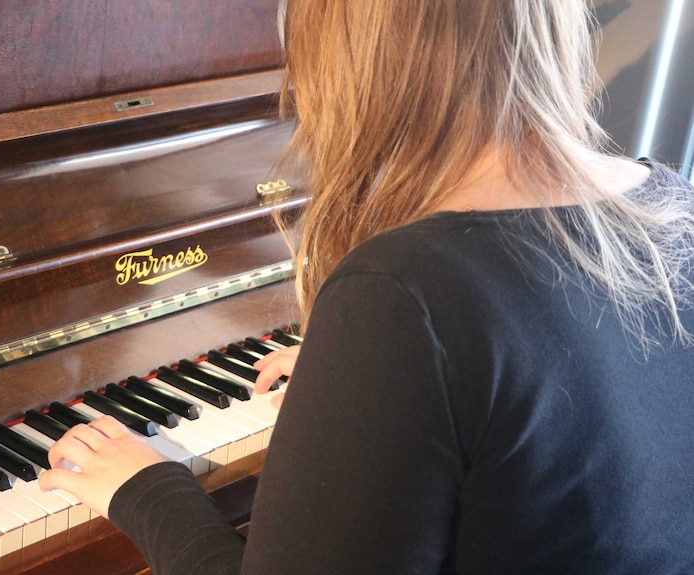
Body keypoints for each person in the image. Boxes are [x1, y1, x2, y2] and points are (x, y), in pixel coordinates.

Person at [39, 1, 694, 573]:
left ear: (355, 53)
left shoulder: (405, 293)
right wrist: (374, 385)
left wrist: (148, 489)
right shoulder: (674, 204)